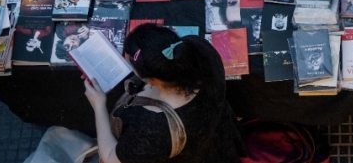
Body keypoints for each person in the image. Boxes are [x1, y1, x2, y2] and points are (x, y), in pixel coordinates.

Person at [83, 24, 242, 163]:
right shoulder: (199, 48)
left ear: (151, 80)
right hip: (220, 140)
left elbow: (111, 157)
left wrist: (98, 105)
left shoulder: (156, 129)